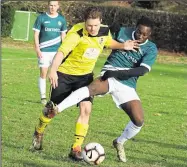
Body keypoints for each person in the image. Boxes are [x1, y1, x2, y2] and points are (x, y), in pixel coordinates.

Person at [30, 6, 139, 161]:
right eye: (89, 25)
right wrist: (53, 70)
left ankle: (76, 148)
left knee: (86, 109)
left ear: (100, 22)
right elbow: (61, 52)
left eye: (95, 25)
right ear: (84, 22)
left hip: (85, 78)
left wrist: (123, 45)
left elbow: (107, 42)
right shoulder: (77, 33)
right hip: (65, 75)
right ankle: (39, 130)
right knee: (51, 109)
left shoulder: (104, 30)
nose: (92, 28)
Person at [47, 16, 158, 162]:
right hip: (109, 74)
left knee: (139, 120)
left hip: (127, 83)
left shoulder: (151, 48)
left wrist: (117, 73)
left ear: (149, 35)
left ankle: (119, 142)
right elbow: (102, 33)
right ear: (135, 27)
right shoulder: (123, 32)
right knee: (91, 89)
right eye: (139, 32)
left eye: (145, 35)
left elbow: (142, 71)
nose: (140, 36)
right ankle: (57, 109)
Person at [33, 1, 67, 105]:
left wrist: (64, 51)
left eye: (55, 5)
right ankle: (43, 96)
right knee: (43, 73)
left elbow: (63, 36)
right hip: (44, 51)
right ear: (48, 6)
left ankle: (55, 97)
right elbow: (36, 35)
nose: (52, 7)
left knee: (56, 74)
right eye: (51, 5)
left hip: (57, 52)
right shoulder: (41, 18)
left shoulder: (61, 19)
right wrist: (38, 49)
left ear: (58, 6)